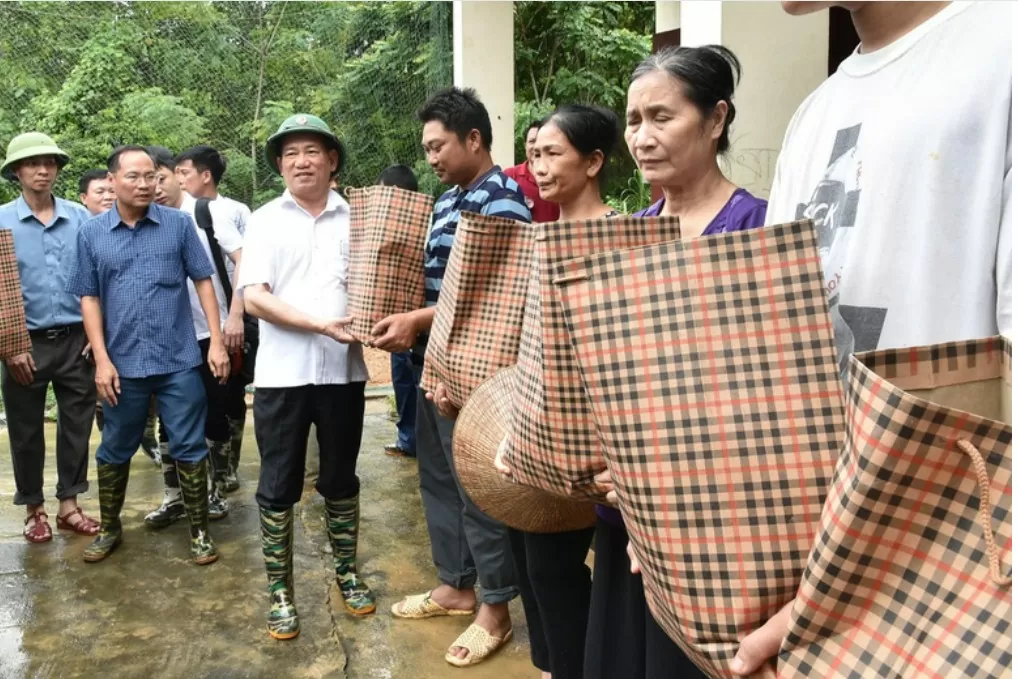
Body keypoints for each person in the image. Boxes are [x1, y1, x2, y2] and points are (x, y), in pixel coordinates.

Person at [730, 2, 1012, 674]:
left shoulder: (1003, 50)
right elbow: (789, 350)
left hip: (948, 596)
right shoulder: (818, 107)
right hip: (824, 577)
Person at [585, 45, 768, 679]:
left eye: (662, 117)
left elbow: (764, 396)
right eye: (634, 121)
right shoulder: (630, 230)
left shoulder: (752, 230)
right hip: (622, 509)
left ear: (715, 120)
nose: (642, 137)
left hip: (709, 526)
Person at [373, 87, 530, 668]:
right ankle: (456, 585)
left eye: (439, 147)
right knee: (438, 478)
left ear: (474, 139)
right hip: (434, 362)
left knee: (477, 489)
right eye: (426, 149)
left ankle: (495, 608)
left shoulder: (503, 199)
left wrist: (416, 320)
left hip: (478, 368)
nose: (431, 158)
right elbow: (436, 282)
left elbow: (496, 295)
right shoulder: (447, 201)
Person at [491, 104, 621, 679]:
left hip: (590, 441)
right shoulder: (541, 238)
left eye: (553, 154)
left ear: (593, 161)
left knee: (557, 567)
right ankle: (551, 666)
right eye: (534, 154)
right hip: (534, 430)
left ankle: (576, 666)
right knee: (527, 560)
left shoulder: (622, 236)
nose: (538, 168)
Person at [241, 113, 375, 640]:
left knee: (341, 477)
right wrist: (320, 323)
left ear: (332, 160)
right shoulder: (265, 219)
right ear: (279, 164)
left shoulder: (358, 216)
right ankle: (281, 591)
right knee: (278, 485)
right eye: (291, 152)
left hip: (344, 373)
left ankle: (346, 571)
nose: (302, 161)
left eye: (312, 151)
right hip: (283, 375)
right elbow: (254, 296)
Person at [66, 145, 230, 565]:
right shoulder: (91, 233)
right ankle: (109, 528)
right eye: (133, 177)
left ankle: (199, 533)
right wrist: (101, 359)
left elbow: (204, 281)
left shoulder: (177, 225)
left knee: (189, 445)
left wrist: (215, 339)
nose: (144, 184)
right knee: (115, 447)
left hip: (177, 361)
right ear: (113, 180)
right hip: (123, 366)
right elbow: (88, 298)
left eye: (151, 177)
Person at [0, 132, 100, 543]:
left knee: (77, 424)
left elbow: (98, 277)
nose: (43, 170)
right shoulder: (2, 221)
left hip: (77, 338)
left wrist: (99, 335)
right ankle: (34, 510)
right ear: (16, 172)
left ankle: (69, 507)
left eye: (50, 163)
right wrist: (9, 347)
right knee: (25, 429)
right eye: (32, 163)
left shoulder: (80, 218)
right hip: (24, 342)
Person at [142, 145, 243, 527]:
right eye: (146, 179)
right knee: (168, 420)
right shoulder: (144, 219)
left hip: (208, 333)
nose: (154, 187)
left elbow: (243, 261)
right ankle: (174, 497)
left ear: (177, 175)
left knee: (214, 413)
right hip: (167, 338)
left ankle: (215, 489)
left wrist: (233, 319)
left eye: (160, 177)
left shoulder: (207, 212)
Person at [176, 145, 251, 492]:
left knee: (227, 398)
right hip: (185, 329)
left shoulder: (231, 211)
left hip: (222, 323)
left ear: (206, 175)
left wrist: (235, 315)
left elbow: (246, 263)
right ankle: (191, 482)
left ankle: (225, 469)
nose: (176, 181)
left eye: (182, 173)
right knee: (197, 404)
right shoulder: (163, 216)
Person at [81, 167, 162, 465]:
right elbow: (86, 293)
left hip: (131, 330)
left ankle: (145, 436)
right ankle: (114, 441)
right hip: (92, 333)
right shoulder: (85, 232)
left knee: (146, 392)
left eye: (108, 190)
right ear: (83, 198)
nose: (105, 196)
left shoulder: (147, 226)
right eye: (98, 192)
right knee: (106, 396)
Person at [377, 163, 422, 459]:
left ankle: (422, 444)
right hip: (399, 325)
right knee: (404, 385)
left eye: (382, 193)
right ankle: (408, 440)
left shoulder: (425, 227)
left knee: (420, 387)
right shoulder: (382, 231)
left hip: (421, 327)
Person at [504, 120, 560, 223]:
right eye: (532, 141)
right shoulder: (509, 176)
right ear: (525, 145)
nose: (536, 146)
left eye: (541, 141)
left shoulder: (559, 177)